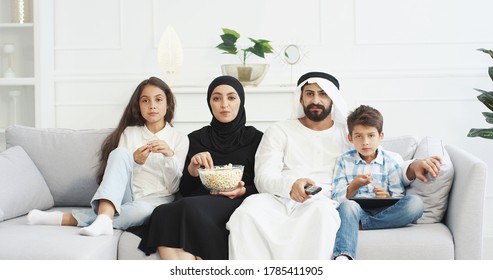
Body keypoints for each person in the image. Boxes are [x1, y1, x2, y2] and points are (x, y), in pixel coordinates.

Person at [226, 71, 442, 260]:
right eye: (310, 93)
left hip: (323, 200)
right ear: (300, 98)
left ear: (333, 99)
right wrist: (291, 185)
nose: (316, 100)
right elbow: (263, 176)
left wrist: (413, 166)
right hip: (277, 197)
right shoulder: (279, 130)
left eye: (323, 94)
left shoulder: (347, 133)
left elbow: (380, 159)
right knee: (245, 214)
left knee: (322, 215)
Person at [27, 77, 189, 236]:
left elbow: (174, 187)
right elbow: (118, 175)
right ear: (138, 106)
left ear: (168, 104)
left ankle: (78, 219)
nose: (152, 105)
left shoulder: (179, 138)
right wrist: (135, 162)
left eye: (158, 100)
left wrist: (169, 155)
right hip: (126, 197)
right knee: (120, 153)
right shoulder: (129, 133)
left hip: (156, 201)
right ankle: (104, 218)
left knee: (143, 212)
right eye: (145, 101)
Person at [137, 75, 263, 260]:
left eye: (231, 97)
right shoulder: (196, 139)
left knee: (186, 209)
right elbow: (185, 190)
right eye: (216, 98)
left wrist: (243, 190)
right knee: (162, 212)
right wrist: (192, 168)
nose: (224, 104)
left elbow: (264, 184)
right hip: (197, 202)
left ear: (241, 101)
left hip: (236, 202)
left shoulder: (256, 138)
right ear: (209, 103)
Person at [331, 105, 424, 260]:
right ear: (350, 138)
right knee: (348, 206)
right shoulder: (343, 161)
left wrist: (387, 196)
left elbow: (399, 196)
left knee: (416, 204)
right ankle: (343, 256)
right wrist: (354, 186)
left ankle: (363, 224)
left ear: (381, 136)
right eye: (359, 136)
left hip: (384, 210)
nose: (365, 142)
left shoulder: (391, 160)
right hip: (355, 212)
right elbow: (336, 198)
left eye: (371, 135)